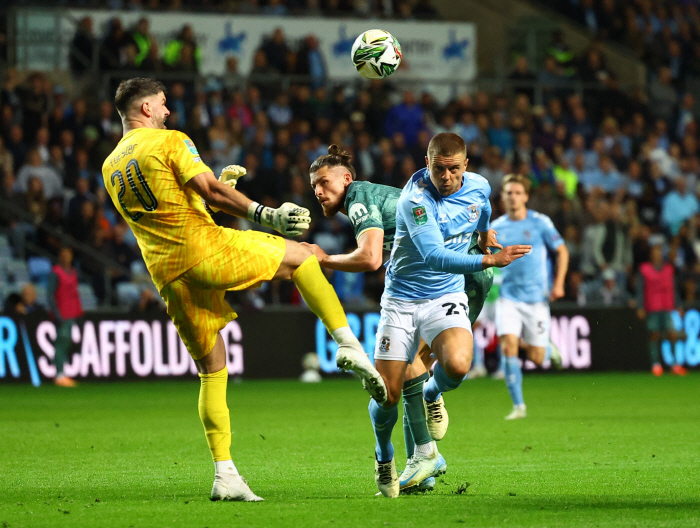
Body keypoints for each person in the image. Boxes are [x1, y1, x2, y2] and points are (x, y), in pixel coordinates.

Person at [101, 78, 385, 502]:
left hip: (167, 274)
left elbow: (174, 207)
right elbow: (207, 193)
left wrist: (221, 187)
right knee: (305, 254)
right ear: (145, 109)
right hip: (205, 250)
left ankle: (225, 474)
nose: (168, 112)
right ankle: (347, 344)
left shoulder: (110, 165)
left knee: (212, 370)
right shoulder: (169, 140)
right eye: (162, 105)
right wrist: (265, 213)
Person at [335, 132, 528, 497]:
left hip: (445, 295)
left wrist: (485, 234)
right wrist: (489, 258)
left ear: (466, 167)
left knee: (456, 365)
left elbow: (483, 206)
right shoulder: (415, 200)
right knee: (387, 395)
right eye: (439, 169)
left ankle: (430, 397)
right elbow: (434, 257)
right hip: (402, 301)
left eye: (454, 169)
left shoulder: (479, 186)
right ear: (428, 164)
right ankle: (384, 453)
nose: (446, 176)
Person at [299, 144, 495, 492]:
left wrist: (323, 258)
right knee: (404, 378)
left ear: (346, 179)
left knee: (413, 375)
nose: (317, 190)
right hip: (428, 282)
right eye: (313, 184)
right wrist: (482, 232)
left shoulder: (358, 199)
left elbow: (371, 258)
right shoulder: (373, 195)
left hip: (453, 278)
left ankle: (425, 446)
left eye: (324, 182)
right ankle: (423, 466)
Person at [490, 174, 569, 420]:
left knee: (536, 357)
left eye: (516, 192)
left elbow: (562, 251)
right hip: (508, 297)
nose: (512, 197)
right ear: (502, 197)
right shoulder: (497, 227)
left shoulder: (540, 222)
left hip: (536, 299)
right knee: (507, 344)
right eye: (508, 193)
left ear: (525, 196)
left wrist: (559, 283)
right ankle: (518, 406)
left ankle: (546, 349)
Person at [636, 244, 688, 377]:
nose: (657, 254)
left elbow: (673, 289)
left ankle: (675, 364)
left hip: (667, 306)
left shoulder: (668, 269)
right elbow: (640, 290)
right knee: (654, 335)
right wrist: (640, 306)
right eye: (655, 252)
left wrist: (678, 305)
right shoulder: (644, 270)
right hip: (652, 306)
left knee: (672, 334)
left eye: (659, 252)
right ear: (651, 255)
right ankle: (656, 364)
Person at [47, 247, 83, 388]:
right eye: (63, 255)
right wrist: (56, 313)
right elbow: (50, 295)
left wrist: (79, 311)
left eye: (68, 255)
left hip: (71, 313)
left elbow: (74, 293)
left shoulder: (73, 272)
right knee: (61, 343)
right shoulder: (55, 273)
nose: (66, 257)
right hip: (61, 314)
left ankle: (62, 372)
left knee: (65, 343)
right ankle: (59, 374)